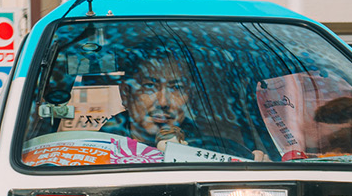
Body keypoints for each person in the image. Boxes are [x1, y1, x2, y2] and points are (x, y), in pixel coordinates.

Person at [98, 53, 245, 156]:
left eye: (177, 88)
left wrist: (256, 161)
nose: (163, 102)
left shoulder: (219, 152)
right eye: (149, 86)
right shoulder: (95, 153)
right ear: (126, 93)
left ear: (191, 95)